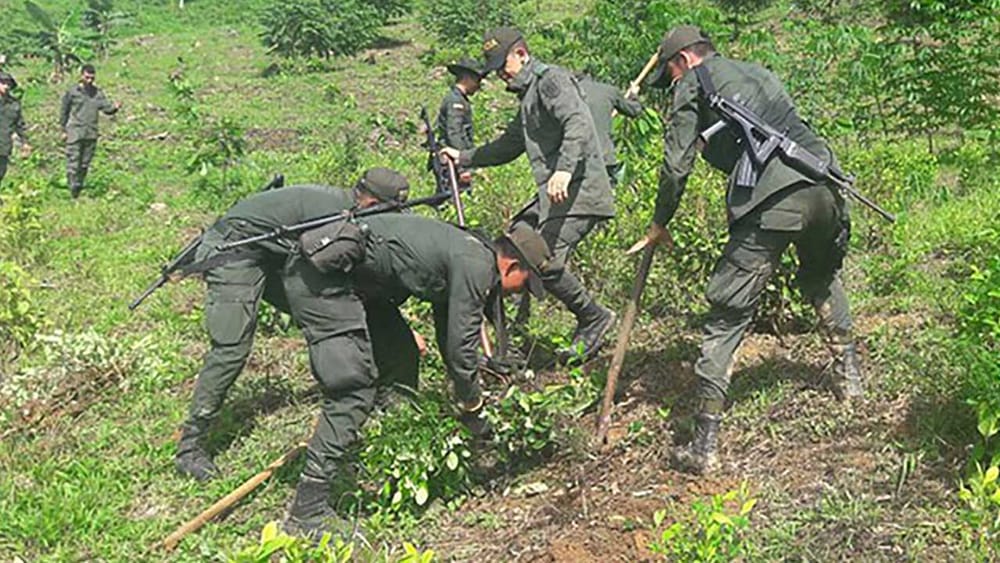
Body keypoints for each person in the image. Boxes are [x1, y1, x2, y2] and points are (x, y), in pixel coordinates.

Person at [628, 26, 864, 475]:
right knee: (821, 278)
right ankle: (850, 379)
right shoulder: (758, 72)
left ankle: (704, 445)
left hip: (774, 200)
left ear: (683, 62)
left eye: (672, 74)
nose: (673, 84)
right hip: (826, 188)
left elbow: (677, 166)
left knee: (728, 312)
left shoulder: (693, 84)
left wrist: (661, 221)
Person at [284, 215, 552, 537]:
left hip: (357, 285)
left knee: (401, 356)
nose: (517, 293)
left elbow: (450, 335)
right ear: (510, 265)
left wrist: (464, 387)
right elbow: (460, 349)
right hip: (321, 282)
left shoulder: (468, 250)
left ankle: (392, 441)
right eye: (523, 283)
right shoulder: (476, 265)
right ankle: (307, 509)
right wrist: (473, 405)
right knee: (353, 391)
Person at [174, 169, 411, 483]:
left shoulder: (350, 211)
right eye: (386, 208)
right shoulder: (335, 213)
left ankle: (380, 399)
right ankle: (190, 446)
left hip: (277, 253)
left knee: (346, 308)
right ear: (367, 199)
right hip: (234, 249)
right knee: (231, 348)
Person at [440, 27, 616, 362]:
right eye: (494, 70)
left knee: (540, 255)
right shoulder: (528, 99)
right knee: (515, 239)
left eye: (503, 64)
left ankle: (593, 317)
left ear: (522, 54)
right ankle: (515, 329)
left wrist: (563, 169)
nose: (501, 74)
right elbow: (507, 147)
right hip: (556, 197)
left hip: (580, 190)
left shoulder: (551, 82)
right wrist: (462, 157)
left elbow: (577, 122)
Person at [59, 64, 121, 198]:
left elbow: (106, 109)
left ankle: (79, 187)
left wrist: (115, 108)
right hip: (75, 132)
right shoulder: (72, 92)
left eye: (92, 78)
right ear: (81, 76)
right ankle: (72, 190)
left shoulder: (97, 93)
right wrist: (63, 129)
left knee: (84, 164)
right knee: (73, 162)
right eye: (87, 77)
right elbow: (64, 111)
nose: (90, 80)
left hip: (91, 133)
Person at [575, 72, 643, 188]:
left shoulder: (569, 94)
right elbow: (635, 110)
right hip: (604, 157)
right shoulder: (609, 91)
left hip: (575, 158)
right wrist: (633, 95)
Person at [0, 72, 30, 187]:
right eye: (3, 83)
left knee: (1, 172)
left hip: (3, 144)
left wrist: (25, 142)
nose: (6, 87)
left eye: (8, 84)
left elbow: (19, 124)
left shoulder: (14, 104)